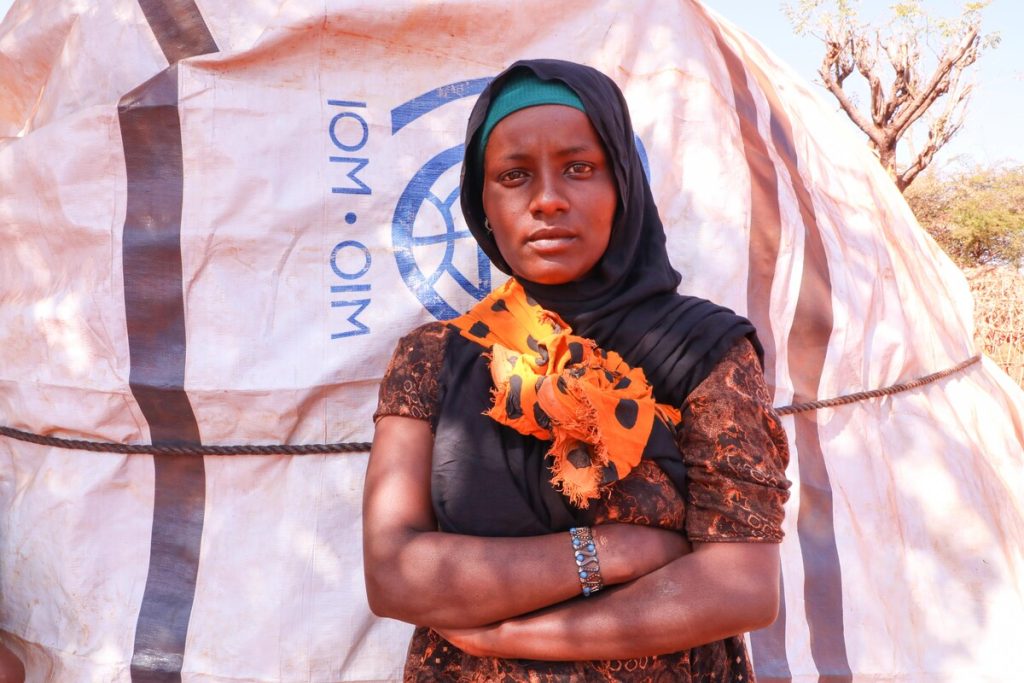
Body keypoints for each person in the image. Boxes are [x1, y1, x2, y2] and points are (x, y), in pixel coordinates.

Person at [363, 58, 791, 681]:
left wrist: (510, 635)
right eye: (512, 176)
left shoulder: (702, 349)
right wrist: (613, 551)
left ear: (623, 183)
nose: (547, 200)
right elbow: (393, 575)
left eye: (579, 168)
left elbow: (740, 589)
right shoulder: (435, 357)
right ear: (481, 205)